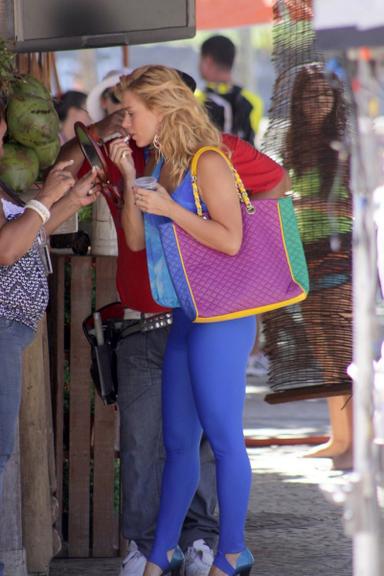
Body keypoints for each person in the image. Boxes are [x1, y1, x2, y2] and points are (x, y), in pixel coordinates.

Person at [58, 67, 287, 576]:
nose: (125, 121)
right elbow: (138, 244)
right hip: (186, 315)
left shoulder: (209, 160)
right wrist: (128, 180)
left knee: (223, 441)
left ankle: (232, 552)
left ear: (162, 110)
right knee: (179, 444)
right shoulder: (159, 163)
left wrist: (171, 209)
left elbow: (230, 239)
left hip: (222, 320)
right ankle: (161, 555)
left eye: (132, 111)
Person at [0, 97, 100, 576]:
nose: (2, 135)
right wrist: (44, 201)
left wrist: (67, 203)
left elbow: (28, 238)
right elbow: (4, 249)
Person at [283, 63, 353, 469]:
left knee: (345, 350)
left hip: (340, 253)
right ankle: (338, 437)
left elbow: (349, 204)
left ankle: (355, 442)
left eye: (326, 94)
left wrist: (303, 203)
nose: (320, 102)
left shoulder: (342, 144)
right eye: (311, 95)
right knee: (324, 352)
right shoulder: (293, 144)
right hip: (303, 255)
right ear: (298, 101)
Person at [197, 35, 267, 378]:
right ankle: (251, 353)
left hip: (211, 196)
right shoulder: (251, 98)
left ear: (207, 61)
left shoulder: (199, 100)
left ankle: (223, 342)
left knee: (219, 268)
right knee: (247, 272)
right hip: (247, 192)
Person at [197, 35, 263, 146]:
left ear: (207, 61)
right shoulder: (253, 101)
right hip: (243, 162)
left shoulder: (195, 100)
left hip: (207, 162)